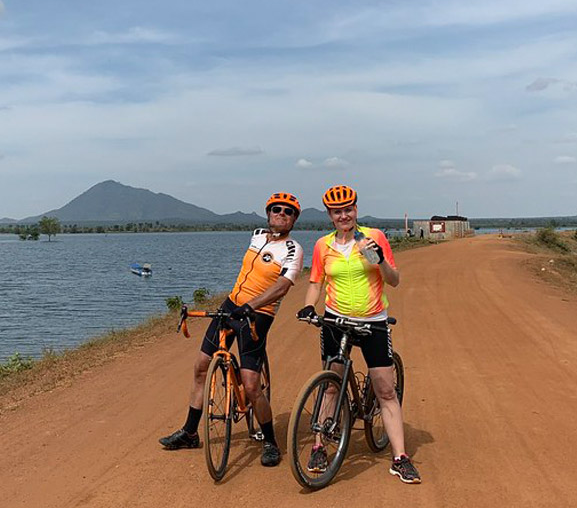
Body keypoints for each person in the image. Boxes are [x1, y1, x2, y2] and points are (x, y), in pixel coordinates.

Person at [159, 192, 304, 467]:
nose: (281, 214)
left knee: (251, 384)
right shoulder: (257, 235)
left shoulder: (293, 249)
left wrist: (251, 306)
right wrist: (238, 304)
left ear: (294, 219)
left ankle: (271, 441)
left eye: (288, 212)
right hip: (231, 305)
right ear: (268, 213)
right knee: (201, 366)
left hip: (257, 314)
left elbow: (282, 286)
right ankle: (190, 433)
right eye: (276, 210)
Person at [298, 184, 422, 484]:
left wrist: (377, 260)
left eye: (348, 209)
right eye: (337, 211)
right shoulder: (322, 246)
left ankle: (400, 458)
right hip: (335, 321)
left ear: (356, 209)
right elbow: (316, 281)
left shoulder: (374, 238)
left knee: (386, 390)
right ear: (329, 215)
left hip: (373, 321)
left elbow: (394, 280)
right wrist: (307, 307)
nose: (344, 215)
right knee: (330, 385)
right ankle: (319, 447)